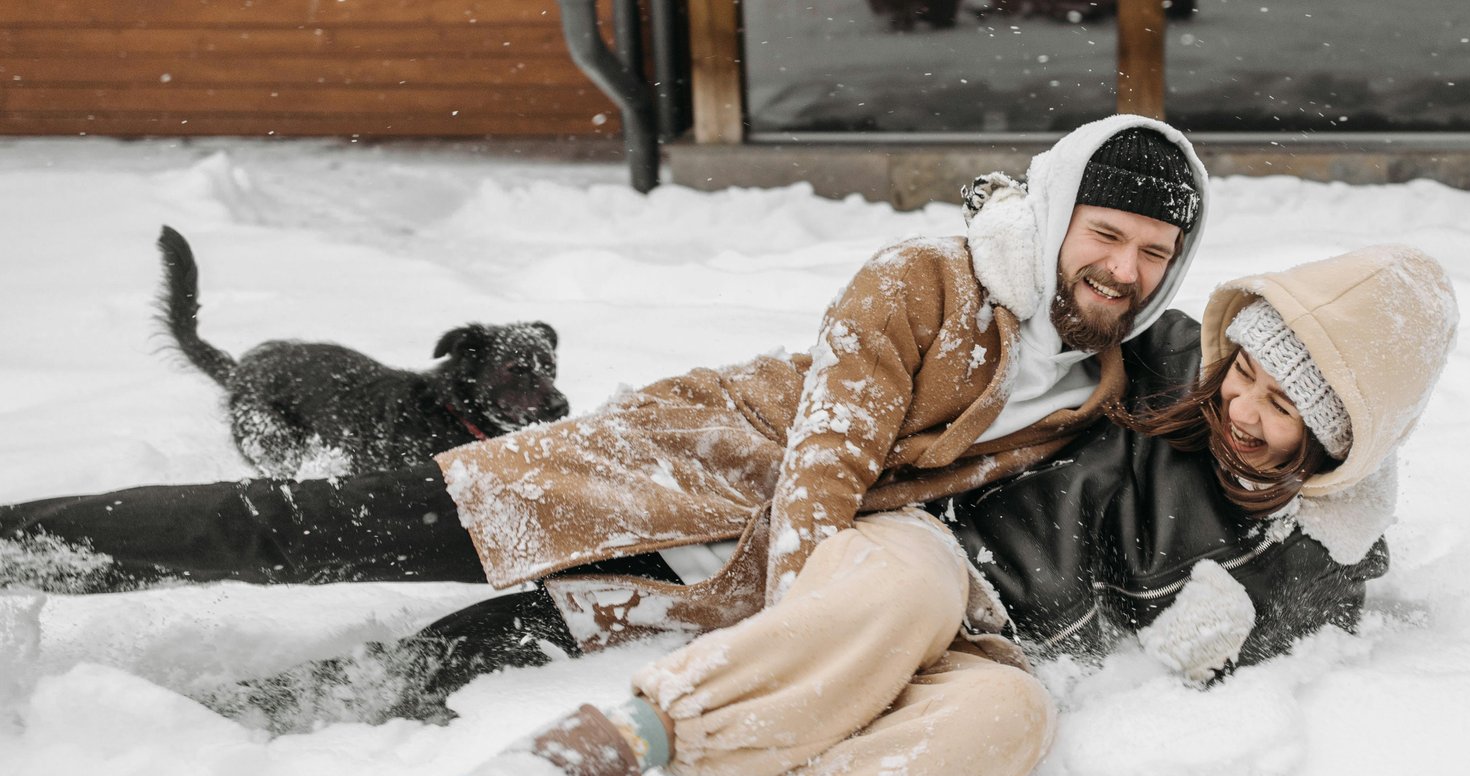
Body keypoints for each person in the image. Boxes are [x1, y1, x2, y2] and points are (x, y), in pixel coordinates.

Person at [0, 115, 1209, 728]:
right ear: (1056, 214)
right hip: (651, 472)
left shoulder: (1100, 375)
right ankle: (20, 540)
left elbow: (1252, 409)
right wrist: (801, 637)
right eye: (1106, 234)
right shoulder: (923, 281)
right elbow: (830, 453)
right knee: (312, 530)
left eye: (1155, 254)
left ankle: (226, 727)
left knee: (463, 659)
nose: (1124, 269)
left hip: (706, 569)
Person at [437, 243, 1460, 776]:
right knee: (905, 587)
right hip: (931, 549)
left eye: (1283, 412)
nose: (1241, 409)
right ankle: (609, 752)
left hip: (995, 650)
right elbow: (1061, 284)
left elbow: (1251, 672)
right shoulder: (1165, 359)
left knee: (1008, 725)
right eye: (1248, 374)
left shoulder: (1311, 566)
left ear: (1343, 447)